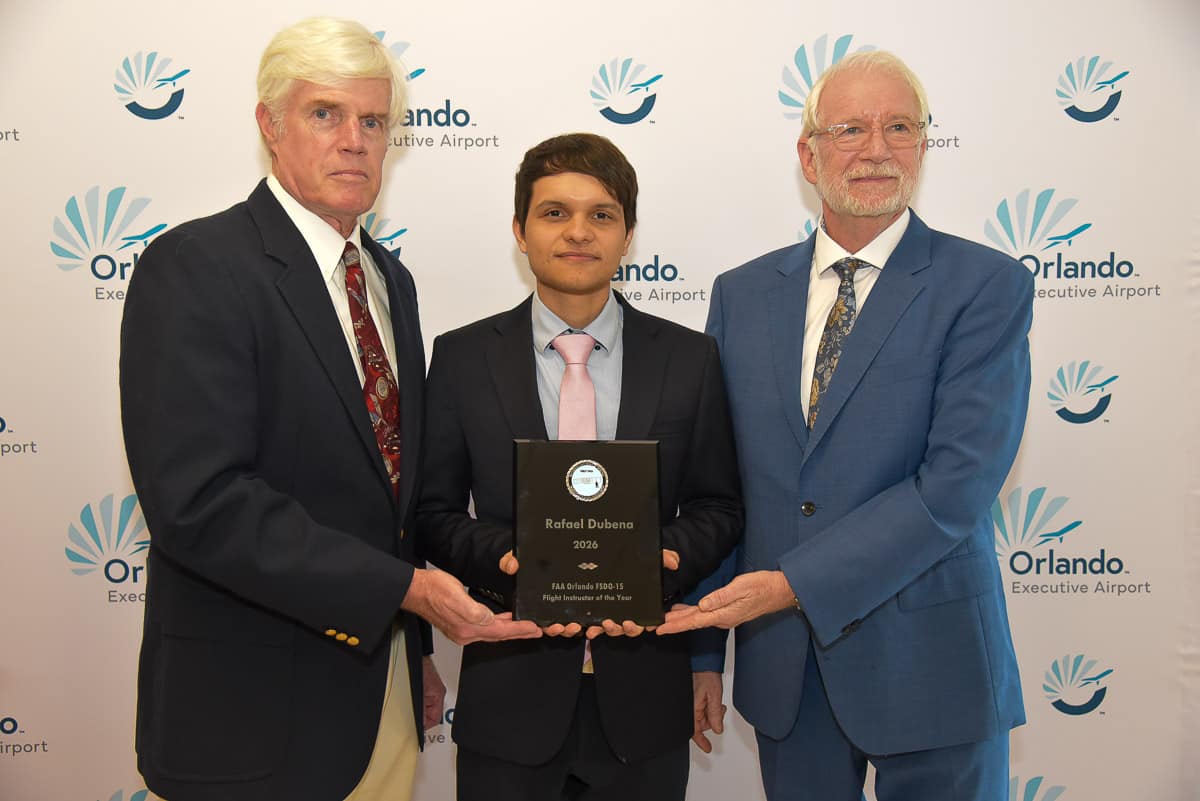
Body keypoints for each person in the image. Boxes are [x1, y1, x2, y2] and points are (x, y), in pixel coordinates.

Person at [119, 17, 540, 801]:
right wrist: (406, 592)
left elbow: (390, 500)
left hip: (379, 699)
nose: (354, 140)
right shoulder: (197, 267)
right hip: (249, 716)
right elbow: (200, 504)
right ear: (269, 126)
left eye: (373, 121)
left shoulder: (389, 280)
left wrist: (408, 650)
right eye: (325, 114)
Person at [656, 51, 1033, 801]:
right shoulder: (740, 294)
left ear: (924, 144)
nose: (877, 148)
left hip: (933, 664)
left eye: (900, 126)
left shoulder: (987, 286)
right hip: (786, 675)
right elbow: (718, 484)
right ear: (809, 152)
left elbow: (954, 489)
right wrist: (703, 649)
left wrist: (792, 584)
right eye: (851, 128)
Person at [414, 133, 742, 801]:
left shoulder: (690, 359)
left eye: (601, 214)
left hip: (644, 702)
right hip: (509, 699)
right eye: (554, 212)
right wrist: (511, 557)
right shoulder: (462, 358)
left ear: (627, 236)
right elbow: (431, 513)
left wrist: (659, 559)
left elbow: (720, 505)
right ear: (519, 229)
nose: (578, 232)